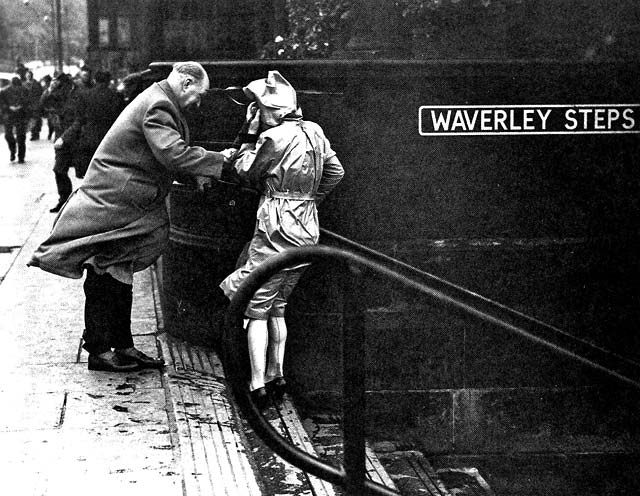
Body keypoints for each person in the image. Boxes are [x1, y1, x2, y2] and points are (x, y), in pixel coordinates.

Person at [29, 61, 236, 372]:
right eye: (199, 93)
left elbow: (164, 155)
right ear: (186, 83)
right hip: (118, 199)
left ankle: (122, 346)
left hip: (124, 197)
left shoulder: (159, 100)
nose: (199, 101)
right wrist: (221, 161)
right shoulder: (160, 106)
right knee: (105, 267)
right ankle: (100, 350)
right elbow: (173, 154)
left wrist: (197, 173)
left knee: (118, 268)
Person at [219, 71, 344, 408]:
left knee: (255, 303)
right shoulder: (314, 131)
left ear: (267, 109)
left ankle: (257, 384)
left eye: (256, 107)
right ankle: (277, 375)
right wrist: (308, 202)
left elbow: (246, 170)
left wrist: (248, 134)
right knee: (278, 303)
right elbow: (336, 172)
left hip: (275, 222)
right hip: (307, 224)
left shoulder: (273, 138)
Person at [55, 69, 125, 182]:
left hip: (88, 142)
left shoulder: (85, 95)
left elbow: (79, 121)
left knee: (90, 179)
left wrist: (64, 138)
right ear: (109, 81)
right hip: (110, 142)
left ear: (94, 80)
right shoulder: (116, 97)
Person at [41, 72, 84, 212]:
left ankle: (85, 204)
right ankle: (64, 201)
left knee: (85, 173)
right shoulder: (57, 94)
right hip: (62, 139)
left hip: (77, 139)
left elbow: (79, 121)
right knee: (59, 169)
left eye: (58, 85)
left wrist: (64, 138)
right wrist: (49, 90)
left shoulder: (77, 95)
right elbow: (42, 106)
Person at [0, 76, 30, 163]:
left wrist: (21, 106)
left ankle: (21, 157)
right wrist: (9, 107)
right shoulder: (4, 91)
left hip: (21, 115)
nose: (16, 88)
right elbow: (1, 103)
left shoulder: (25, 90)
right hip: (9, 115)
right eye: (14, 86)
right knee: (8, 135)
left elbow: (28, 102)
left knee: (21, 137)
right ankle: (13, 150)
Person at [23, 70, 43, 141]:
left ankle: (35, 134)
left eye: (29, 75)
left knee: (36, 119)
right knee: (29, 119)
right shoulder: (24, 84)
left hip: (35, 104)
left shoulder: (36, 84)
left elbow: (40, 93)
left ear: (32, 75)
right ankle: (32, 132)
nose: (28, 76)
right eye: (27, 75)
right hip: (27, 105)